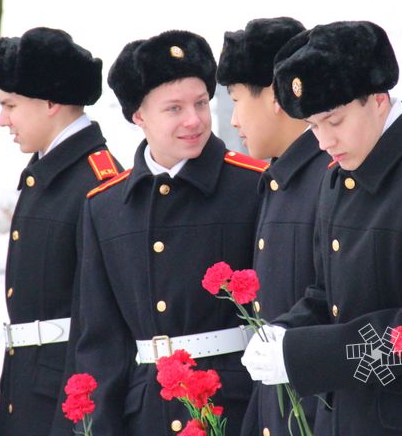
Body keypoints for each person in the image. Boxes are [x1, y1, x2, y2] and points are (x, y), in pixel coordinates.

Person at [241, 21, 402, 435]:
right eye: (313, 127)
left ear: (378, 100)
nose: (324, 141)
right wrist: (283, 331)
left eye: (334, 122)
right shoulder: (339, 176)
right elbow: (327, 296)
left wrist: (307, 353)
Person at [72, 30, 265, 435]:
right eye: (173, 109)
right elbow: (100, 341)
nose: (193, 120)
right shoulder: (104, 207)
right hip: (146, 415)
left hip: (234, 407)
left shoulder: (255, 186)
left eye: (200, 103)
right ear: (138, 116)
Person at [0, 27, 121, 435]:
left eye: (10, 105)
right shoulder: (48, 172)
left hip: (62, 396)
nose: (2, 119)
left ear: (49, 102)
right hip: (28, 387)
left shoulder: (96, 180)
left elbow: (101, 318)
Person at [216, 17, 332, 435]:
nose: (232, 121)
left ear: (276, 97)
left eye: (236, 101)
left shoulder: (330, 179)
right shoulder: (277, 179)